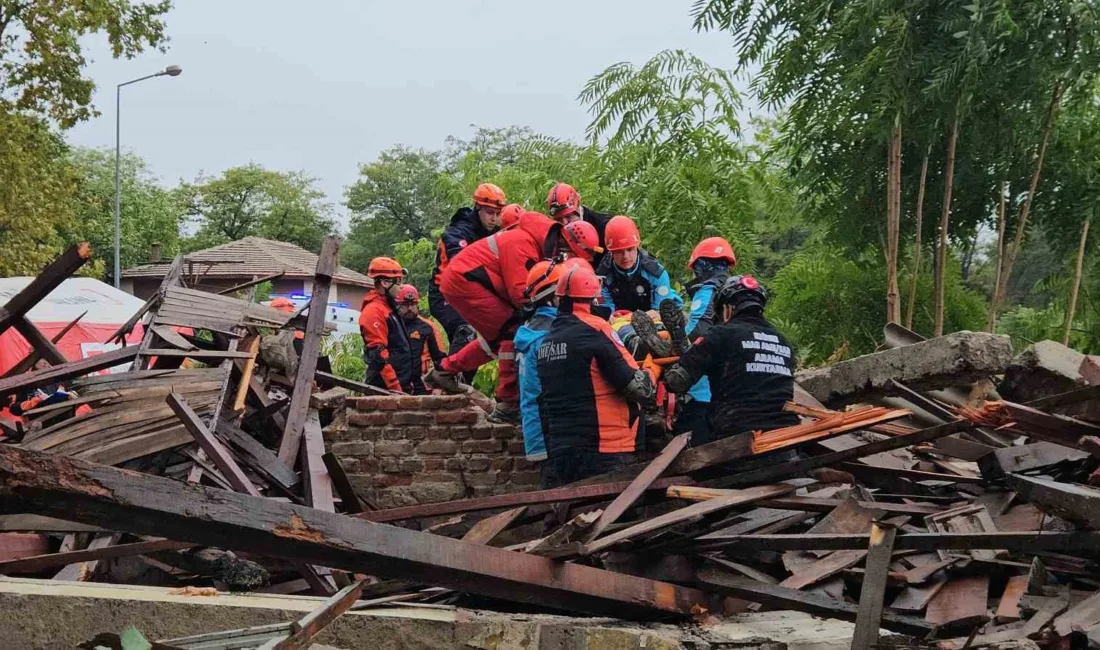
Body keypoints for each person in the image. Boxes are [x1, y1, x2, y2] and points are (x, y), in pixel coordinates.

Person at [428, 211, 599, 424]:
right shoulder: (522, 243)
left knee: (496, 340)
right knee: (512, 330)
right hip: (465, 281)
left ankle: (445, 370)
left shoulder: (537, 243)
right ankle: (508, 403)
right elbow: (522, 294)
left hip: (472, 279)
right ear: (564, 244)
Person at [535, 264, 655, 488]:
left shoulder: (546, 341)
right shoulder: (597, 330)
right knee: (615, 510)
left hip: (562, 452)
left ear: (559, 299)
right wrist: (651, 368)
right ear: (594, 299)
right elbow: (640, 389)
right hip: (606, 449)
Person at [662, 275, 799, 450]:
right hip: (787, 435)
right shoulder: (783, 342)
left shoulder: (719, 334)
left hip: (737, 435)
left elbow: (675, 382)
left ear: (727, 309)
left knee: (690, 419)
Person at [429, 183, 506, 357]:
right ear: (477, 208)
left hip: (470, 293)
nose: (494, 219)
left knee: (491, 338)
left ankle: (458, 372)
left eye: (497, 213)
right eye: (489, 213)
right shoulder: (457, 233)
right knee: (465, 331)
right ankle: (450, 371)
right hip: (444, 294)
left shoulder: (495, 232)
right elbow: (462, 266)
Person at [595, 215, 682, 317]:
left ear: (637, 246)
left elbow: (660, 309)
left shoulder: (656, 273)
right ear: (611, 251)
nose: (625, 256)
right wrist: (609, 316)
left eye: (630, 249)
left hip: (653, 313)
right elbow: (607, 310)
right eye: (619, 251)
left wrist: (657, 313)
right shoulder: (602, 277)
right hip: (622, 318)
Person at [359, 257, 416, 393]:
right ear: (385, 283)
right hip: (384, 389)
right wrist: (394, 387)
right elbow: (378, 355)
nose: (401, 286)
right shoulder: (374, 311)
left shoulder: (388, 308)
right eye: (398, 281)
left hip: (400, 385)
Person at [395, 284, 446, 395]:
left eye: (413, 304)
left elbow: (440, 358)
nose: (410, 308)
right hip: (395, 385)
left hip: (421, 386)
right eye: (405, 304)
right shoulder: (391, 325)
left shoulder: (428, 327)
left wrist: (438, 386)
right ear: (397, 305)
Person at [546, 182, 612, 267]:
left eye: (568, 216)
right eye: (558, 219)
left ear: (578, 209)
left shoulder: (603, 226)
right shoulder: (554, 232)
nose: (564, 223)